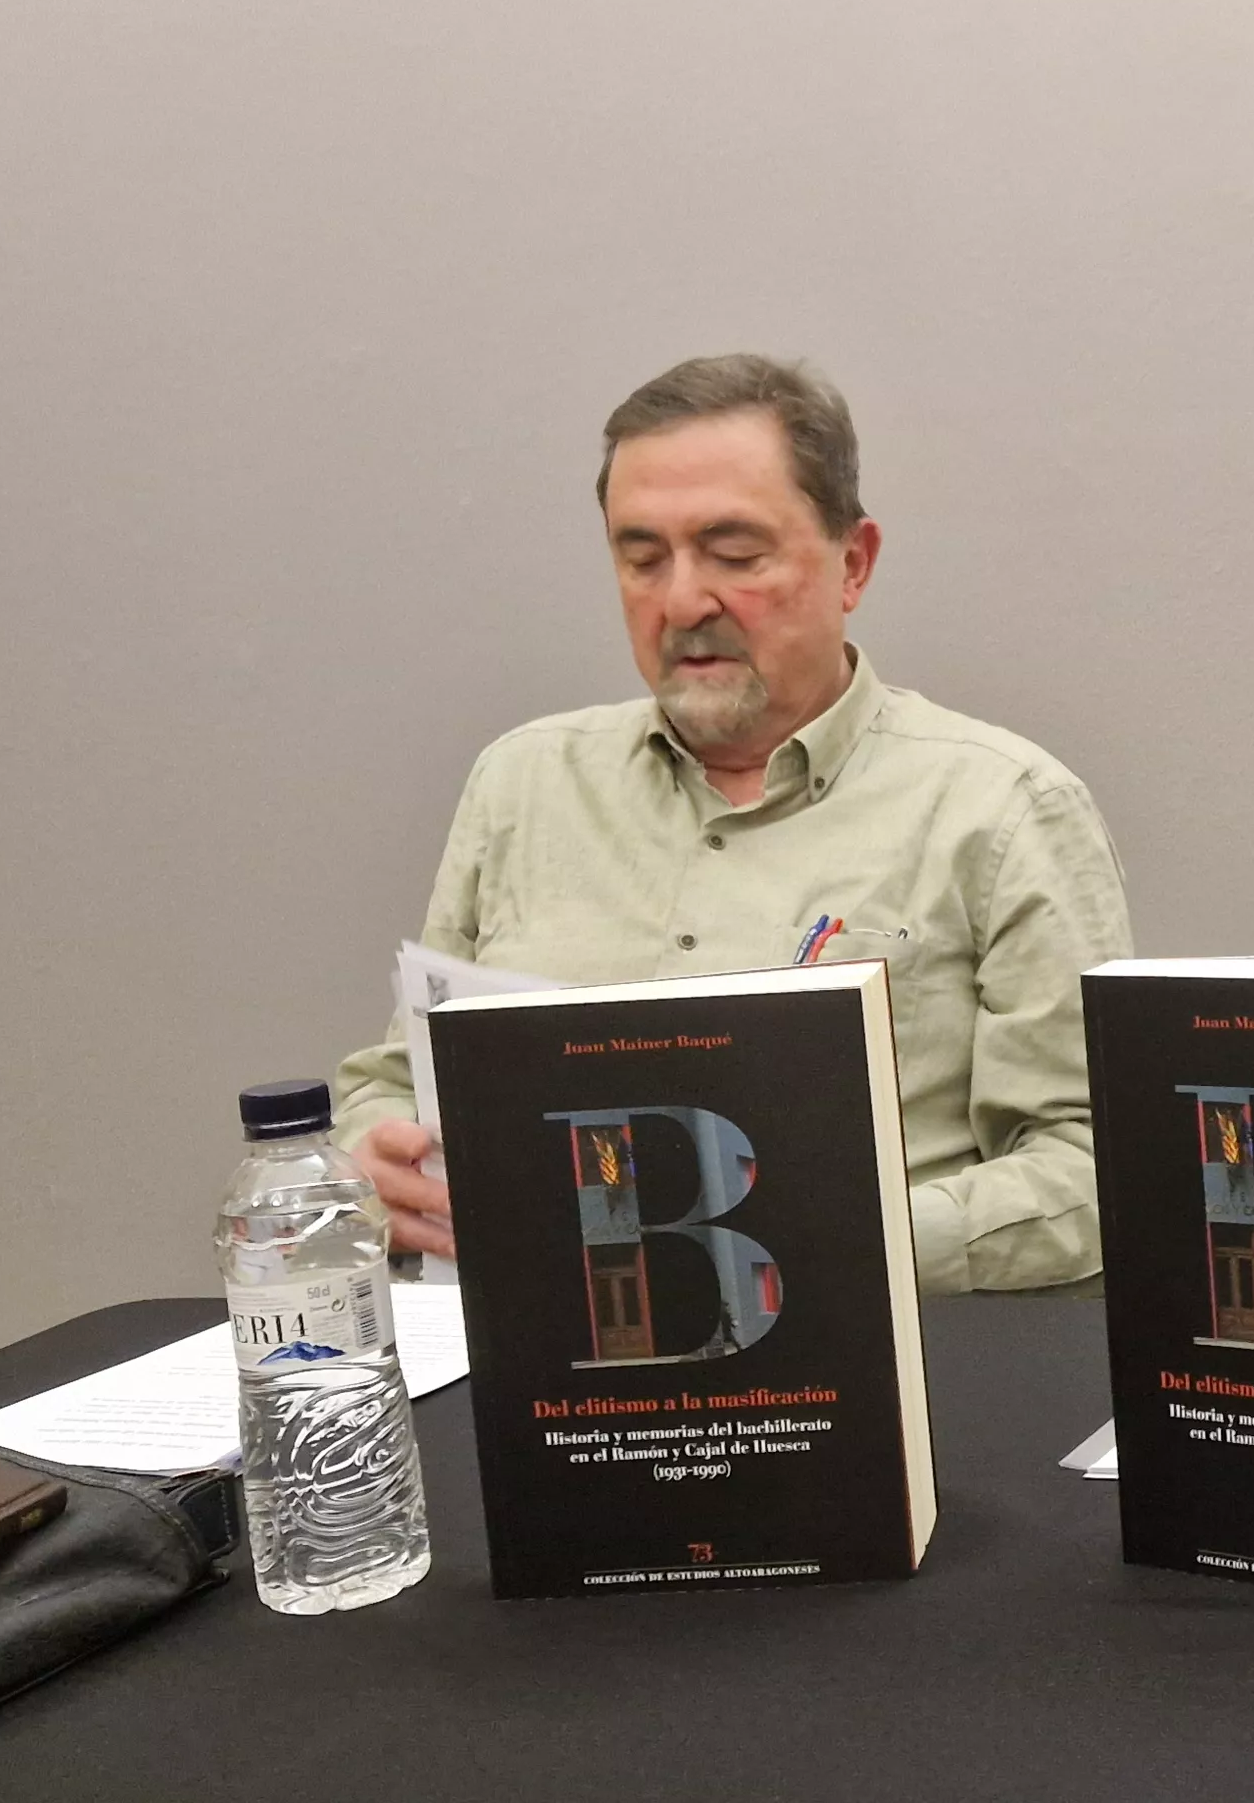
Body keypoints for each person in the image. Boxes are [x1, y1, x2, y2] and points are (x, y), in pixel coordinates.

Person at [332, 354, 1131, 1292]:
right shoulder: (522, 784)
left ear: (853, 564)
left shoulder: (1002, 809)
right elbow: (395, 1080)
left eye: (735, 555)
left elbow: (1092, 1170)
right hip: (541, 1367)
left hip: (863, 1367)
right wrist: (371, 1166)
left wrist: (817, 1237)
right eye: (642, 558)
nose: (683, 601)